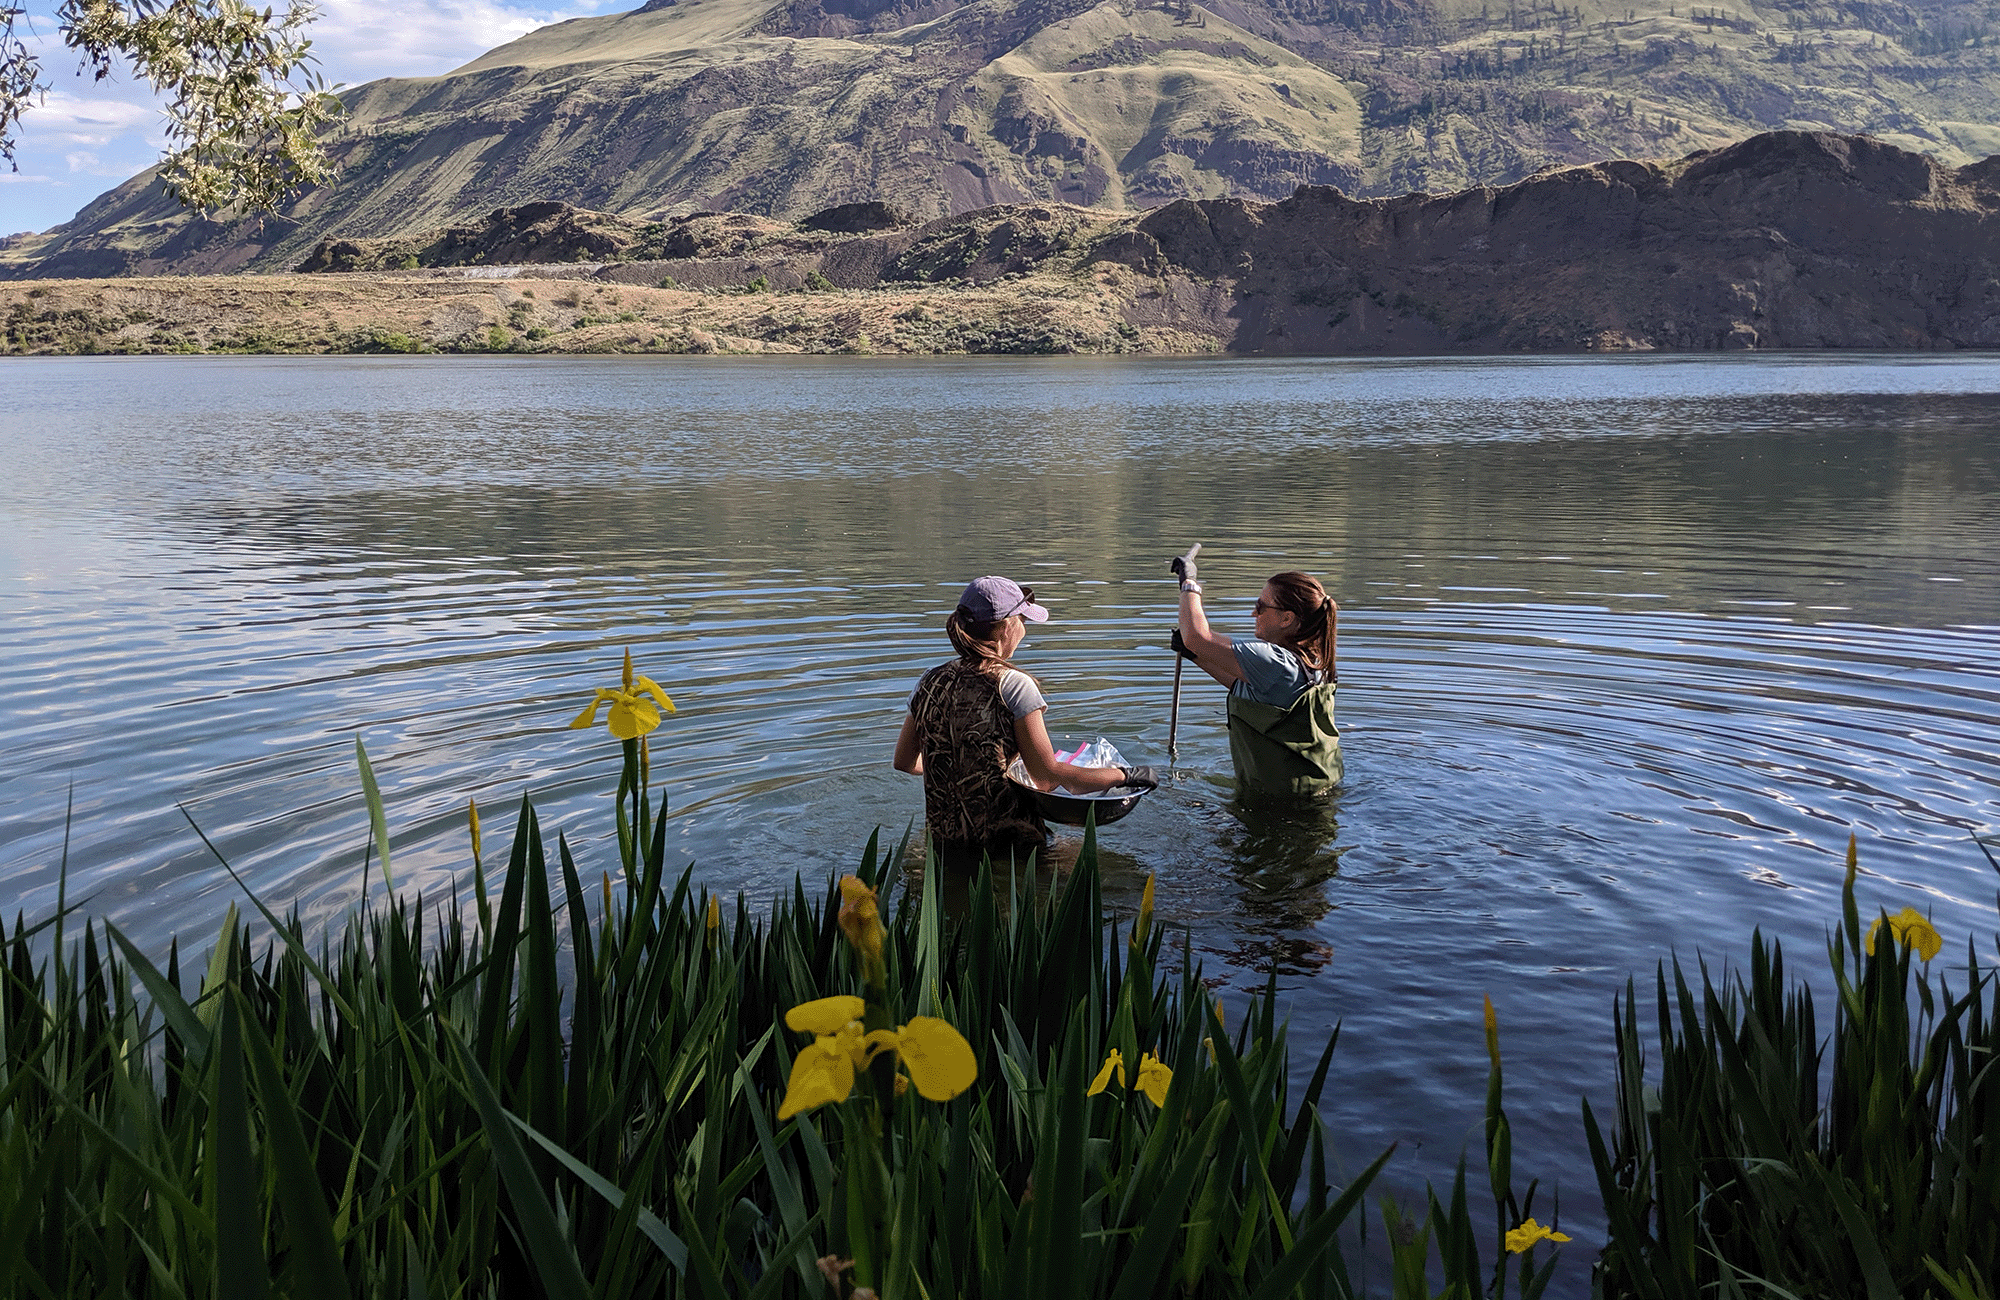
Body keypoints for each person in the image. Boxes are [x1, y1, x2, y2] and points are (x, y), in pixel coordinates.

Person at [895, 576, 1154, 870]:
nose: (1024, 629)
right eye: (1022, 620)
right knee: (1097, 867)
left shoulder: (928, 682)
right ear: (1007, 627)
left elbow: (904, 761)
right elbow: (1046, 776)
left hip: (943, 846)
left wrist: (961, 766)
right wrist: (1126, 775)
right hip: (1010, 849)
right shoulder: (1013, 684)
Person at [1170, 552, 1343, 794]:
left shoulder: (1275, 662)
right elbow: (1252, 692)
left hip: (1282, 803)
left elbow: (1197, 637)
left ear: (1286, 618)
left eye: (1260, 607)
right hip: (1317, 790)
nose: (1254, 614)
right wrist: (1196, 656)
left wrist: (1189, 583)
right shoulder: (1314, 660)